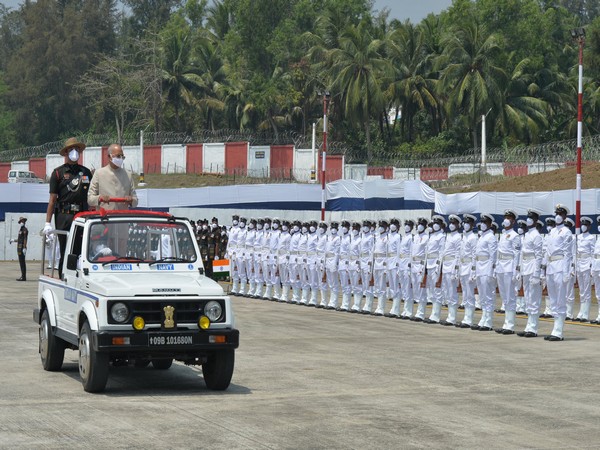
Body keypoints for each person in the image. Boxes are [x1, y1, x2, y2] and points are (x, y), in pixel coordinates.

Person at [43, 137, 93, 278]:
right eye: (71, 149)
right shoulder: (58, 173)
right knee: (65, 249)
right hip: (64, 215)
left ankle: (78, 279)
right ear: (65, 153)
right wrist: (47, 222)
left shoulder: (86, 172)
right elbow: (52, 199)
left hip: (81, 215)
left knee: (79, 249)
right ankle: (64, 277)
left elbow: (91, 195)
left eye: (77, 149)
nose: (74, 152)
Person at [542, 204, 573, 341]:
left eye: (561, 214)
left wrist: (567, 272)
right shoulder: (552, 232)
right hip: (550, 266)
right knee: (553, 298)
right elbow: (546, 251)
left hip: (560, 266)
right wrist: (543, 270)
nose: (558, 216)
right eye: (557, 213)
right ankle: (554, 328)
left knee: (560, 299)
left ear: (565, 216)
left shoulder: (566, 232)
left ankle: (559, 331)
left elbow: (568, 254)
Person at [88, 144, 138, 211]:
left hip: (122, 218)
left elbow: (135, 200)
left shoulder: (128, 174)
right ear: (109, 157)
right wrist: (100, 198)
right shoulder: (99, 173)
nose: (120, 158)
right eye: (118, 156)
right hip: (104, 218)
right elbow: (90, 199)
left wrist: (131, 200)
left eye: (122, 156)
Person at [15, 217, 28, 281]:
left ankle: (23, 277)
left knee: (22, 262)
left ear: (24, 222)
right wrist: (13, 240)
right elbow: (20, 239)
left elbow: (25, 239)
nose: (21, 223)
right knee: (21, 262)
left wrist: (24, 247)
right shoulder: (20, 229)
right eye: (20, 222)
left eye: (22, 221)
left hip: (22, 247)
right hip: (19, 248)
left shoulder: (25, 229)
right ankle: (22, 276)